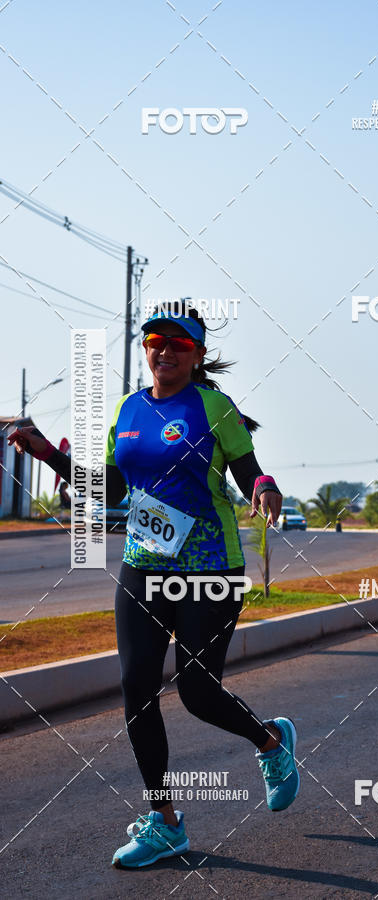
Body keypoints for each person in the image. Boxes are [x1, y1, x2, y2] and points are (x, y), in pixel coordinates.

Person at [8, 302, 300, 869]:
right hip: (144, 566)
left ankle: (271, 742)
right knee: (136, 692)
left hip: (209, 569)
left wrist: (264, 488)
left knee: (196, 692)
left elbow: (248, 468)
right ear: (146, 351)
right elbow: (112, 486)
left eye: (177, 344)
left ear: (197, 355)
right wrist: (47, 453)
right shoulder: (128, 409)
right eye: (153, 342)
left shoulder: (214, 406)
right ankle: (165, 823)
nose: (163, 351)